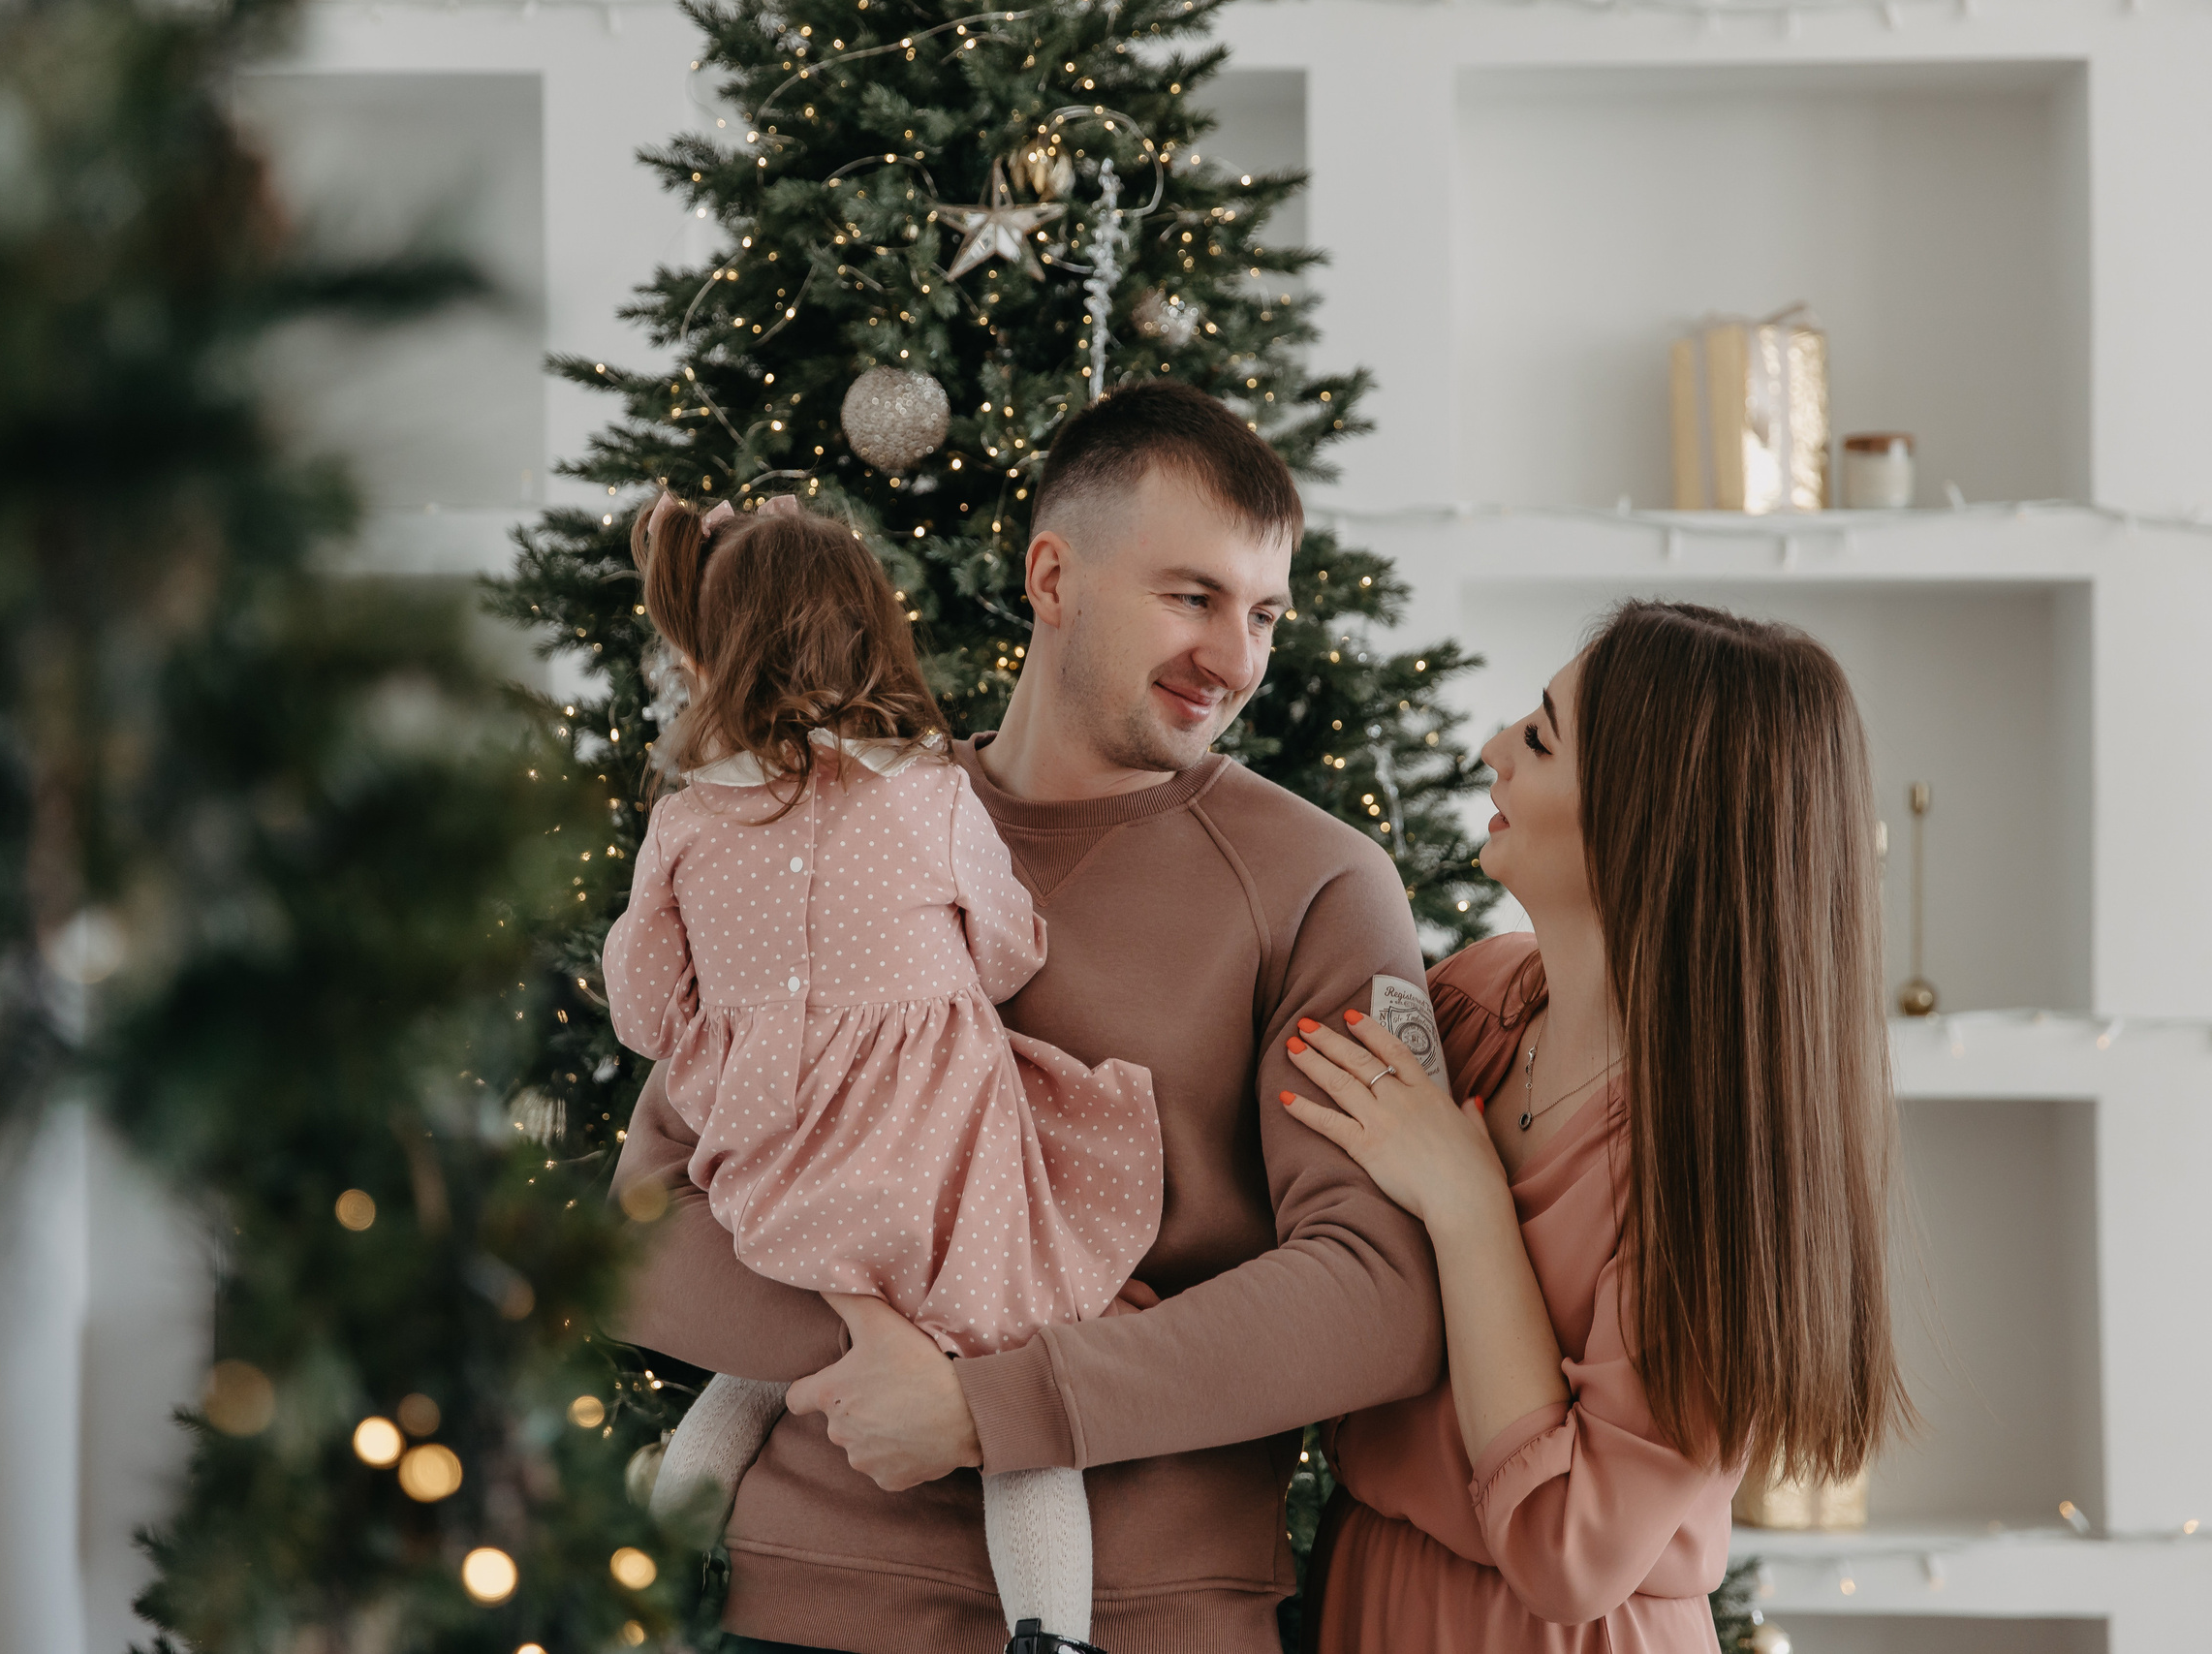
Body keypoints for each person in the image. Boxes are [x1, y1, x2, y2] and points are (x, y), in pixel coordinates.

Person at [606, 381, 1445, 1654]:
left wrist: (993, 1402)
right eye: (1192, 596)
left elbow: (1379, 1293)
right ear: (1054, 576)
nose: (1238, 657)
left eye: (1264, 611)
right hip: (794, 1607)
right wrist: (886, 1347)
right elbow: (645, 1224)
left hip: (1139, 1620)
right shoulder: (822, 822)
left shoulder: (1317, 883)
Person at [1278, 601, 1909, 1652]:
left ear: (1648, 812)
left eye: (1536, 737)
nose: (1488, 752)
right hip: (1368, 1594)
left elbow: (1567, 1553)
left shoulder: (1710, 1173)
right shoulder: (1470, 1006)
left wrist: (1469, 1205)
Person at [601, 488, 1165, 1653]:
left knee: (752, 1374)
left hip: (778, 1163)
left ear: (711, 641)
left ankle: (646, 1579)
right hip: (934, 1155)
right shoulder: (929, 790)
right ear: (871, 624)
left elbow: (645, 1014)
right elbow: (1010, 950)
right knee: (1013, 1376)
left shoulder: (688, 823)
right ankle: (1048, 1635)